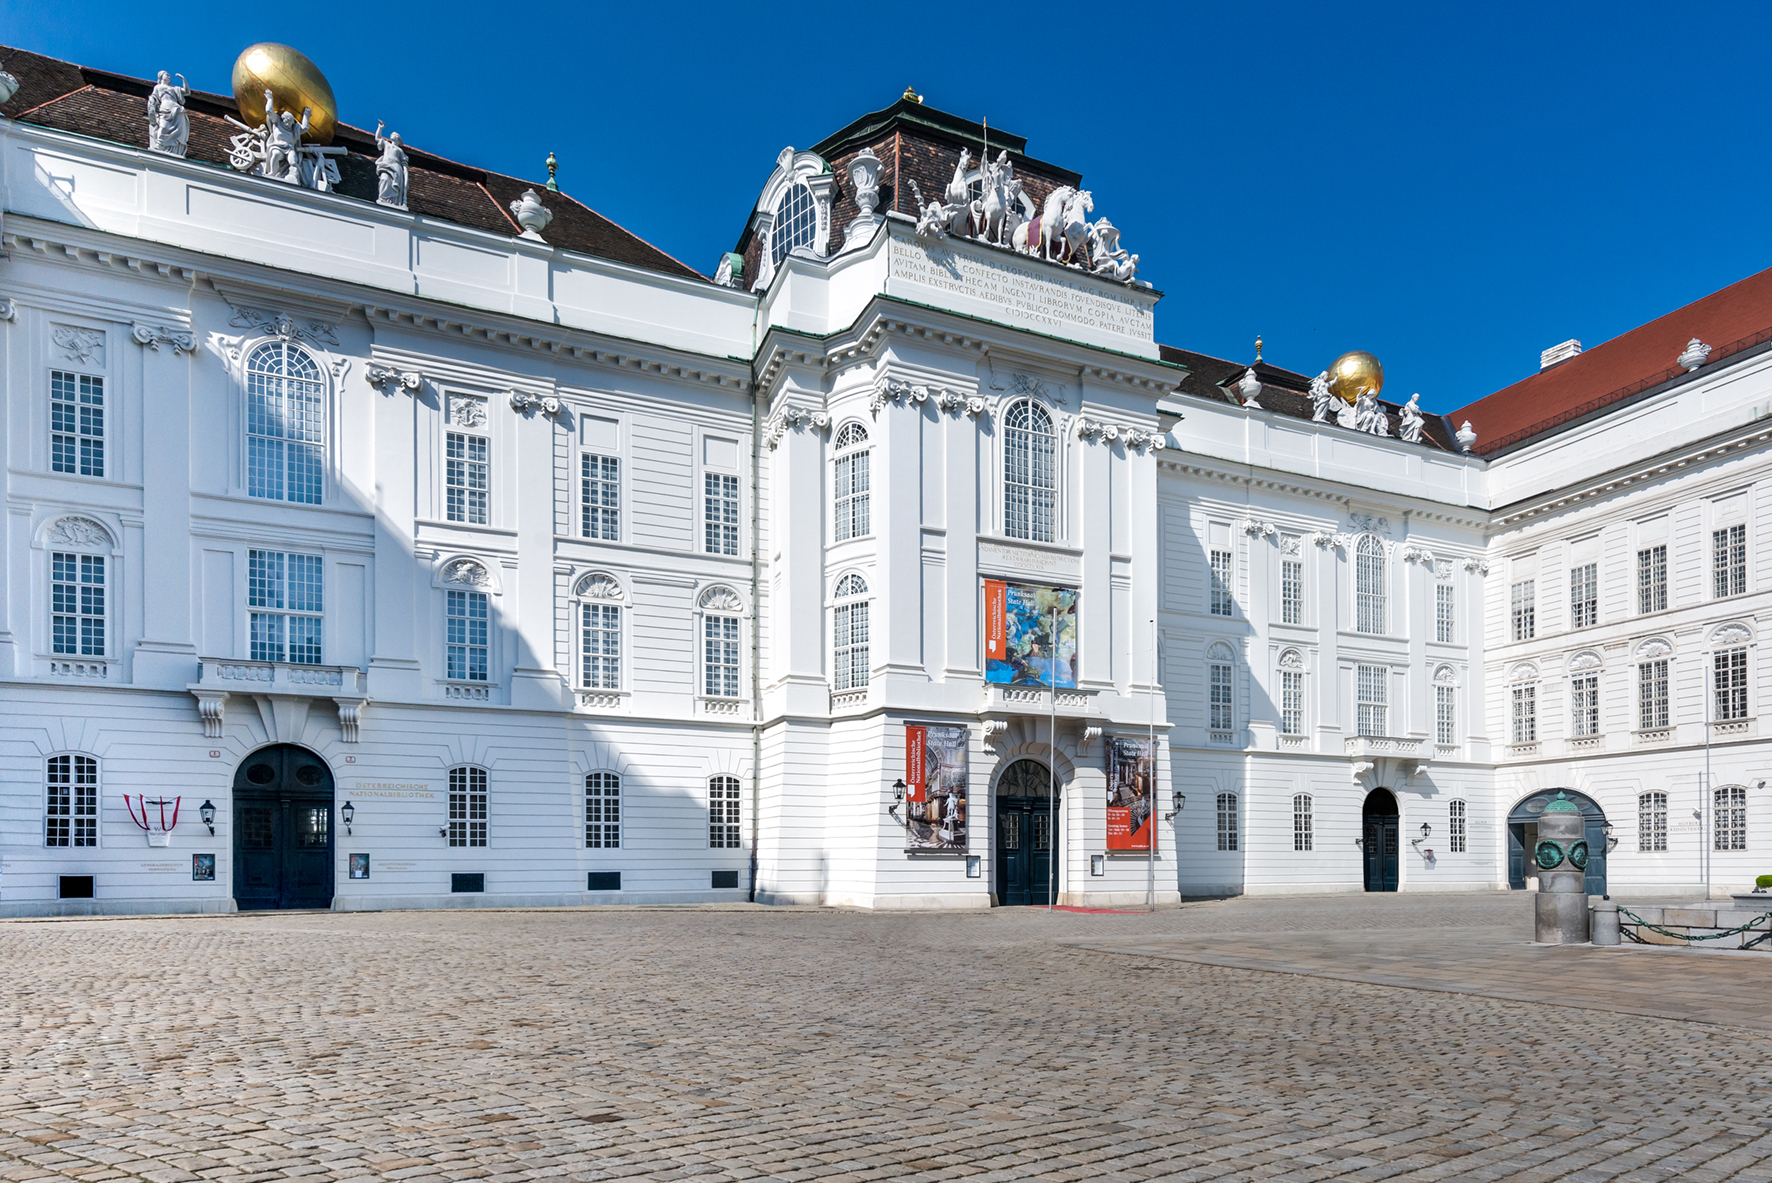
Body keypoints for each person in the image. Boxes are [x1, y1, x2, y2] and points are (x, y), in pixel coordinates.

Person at [146, 71, 189, 156]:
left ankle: (176, 148)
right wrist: (151, 104)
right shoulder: (158, 87)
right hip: (165, 109)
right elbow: (153, 97)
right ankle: (160, 145)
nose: (169, 77)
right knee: (163, 127)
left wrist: (183, 80)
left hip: (177, 110)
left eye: (170, 75)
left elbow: (187, 92)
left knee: (179, 131)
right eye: (167, 75)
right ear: (161, 76)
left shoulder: (174, 89)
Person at [374, 120, 408, 208]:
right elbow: (377, 138)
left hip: (396, 168)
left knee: (393, 185)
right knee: (384, 179)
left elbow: (404, 165)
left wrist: (405, 179)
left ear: (398, 139)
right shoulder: (386, 144)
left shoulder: (400, 150)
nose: (392, 134)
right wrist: (380, 128)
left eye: (395, 134)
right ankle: (383, 199)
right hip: (386, 165)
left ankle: (393, 201)